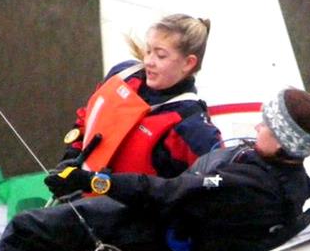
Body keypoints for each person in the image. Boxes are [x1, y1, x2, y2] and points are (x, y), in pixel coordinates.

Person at [0, 88, 310, 251]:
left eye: (266, 125)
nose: (257, 127)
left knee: (23, 229)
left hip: (154, 234)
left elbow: (169, 193)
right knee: (63, 220)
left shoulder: (251, 186)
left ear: (285, 142)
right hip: (167, 230)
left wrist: (91, 180)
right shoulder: (292, 180)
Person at [60, 13, 222, 178]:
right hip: (78, 192)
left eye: (161, 56)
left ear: (188, 63)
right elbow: (87, 117)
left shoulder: (192, 125)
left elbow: (217, 182)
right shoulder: (123, 74)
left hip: (126, 202)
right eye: (148, 50)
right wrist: (72, 154)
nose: (149, 61)